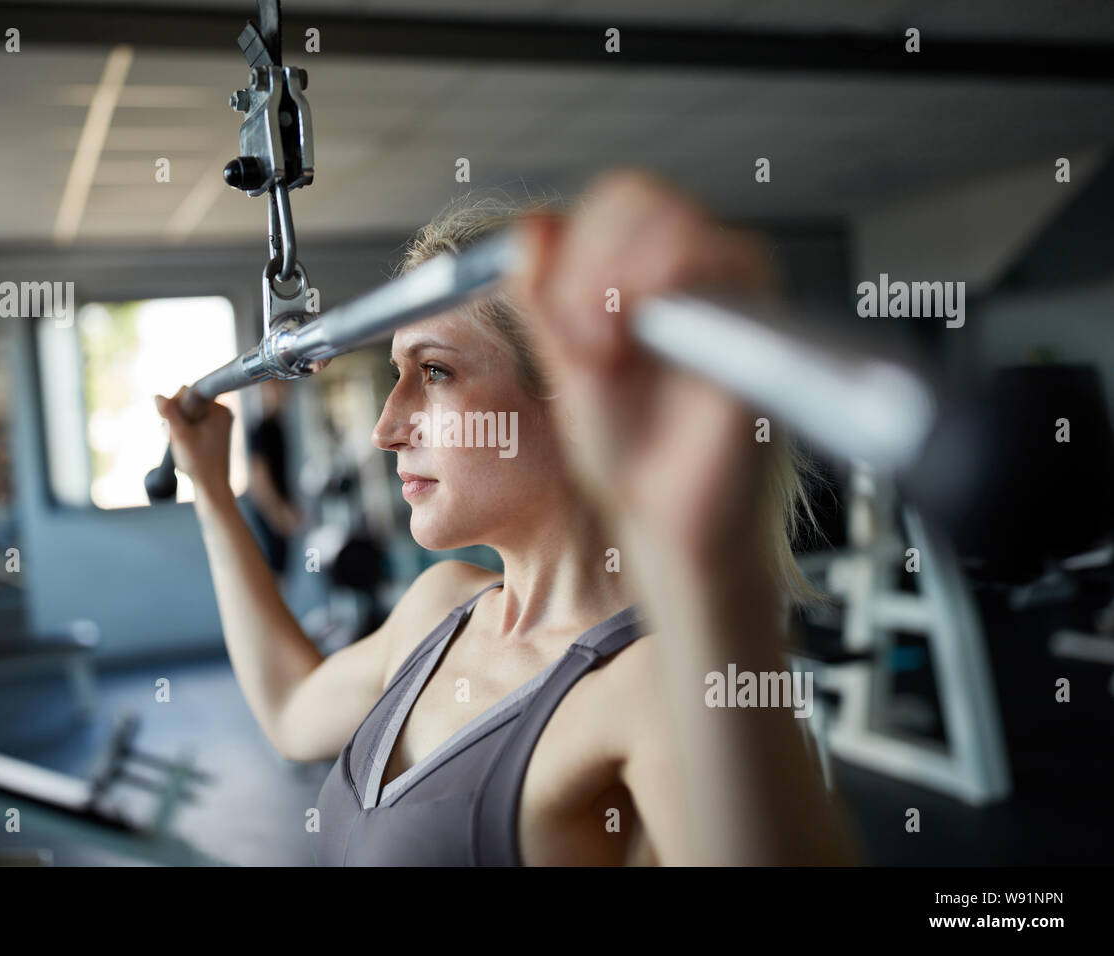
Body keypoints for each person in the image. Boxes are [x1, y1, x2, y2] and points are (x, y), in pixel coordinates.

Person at [155, 170, 862, 866]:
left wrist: (710, 563)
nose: (387, 427)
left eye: (434, 372)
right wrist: (214, 492)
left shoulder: (653, 686)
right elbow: (290, 713)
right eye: (398, 373)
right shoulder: (439, 608)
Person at [243, 378, 302, 575]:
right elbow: (259, 481)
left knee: (283, 571)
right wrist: (279, 513)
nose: (280, 394)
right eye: (274, 389)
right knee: (273, 576)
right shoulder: (260, 429)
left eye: (283, 389)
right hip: (269, 514)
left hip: (279, 511)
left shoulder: (278, 426)